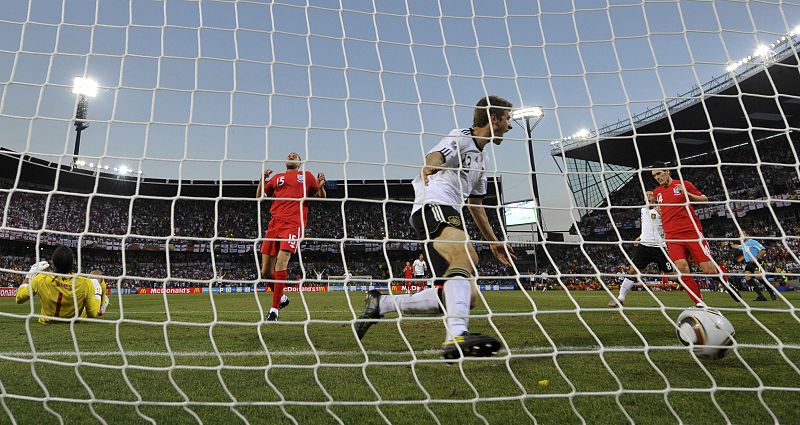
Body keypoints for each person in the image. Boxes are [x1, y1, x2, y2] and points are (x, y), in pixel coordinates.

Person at [355, 95, 516, 359]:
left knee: (467, 297)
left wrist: (494, 241)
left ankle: (381, 303)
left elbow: (476, 207)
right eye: (508, 118)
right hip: (434, 205)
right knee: (466, 254)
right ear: (494, 118)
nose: (510, 126)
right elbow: (439, 153)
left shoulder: (482, 161)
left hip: (447, 211)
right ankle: (456, 335)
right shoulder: (462, 137)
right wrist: (432, 165)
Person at [650, 162, 741, 307]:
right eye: (654, 175)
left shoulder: (684, 184)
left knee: (709, 270)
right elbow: (663, 209)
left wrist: (687, 194)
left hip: (692, 233)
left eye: (659, 173)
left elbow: (705, 200)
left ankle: (726, 282)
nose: (657, 177)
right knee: (682, 269)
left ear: (667, 171)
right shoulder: (657, 192)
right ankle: (699, 303)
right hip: (672, 237)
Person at [257, 151, 326, 321]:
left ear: (300, 163)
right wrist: (262, 179)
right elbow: (259, 197)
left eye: (295, 156)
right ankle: (282, 298)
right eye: (289, 155)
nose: (291, 155)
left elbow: (321, 197)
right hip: (274, 225)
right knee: (265, 272)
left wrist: (322, 186)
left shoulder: (307, 176)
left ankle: (274, 311)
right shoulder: (277, 178)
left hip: (293, 225)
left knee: (282, 261)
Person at [609, 191, 675, 307]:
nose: (648, 196)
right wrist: (639, 237)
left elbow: (666, 224)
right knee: (632, 271)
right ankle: (620, 298)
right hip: (644, 246)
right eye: (646, 195)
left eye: (650, 195)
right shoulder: (643, 210)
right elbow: (647, 226)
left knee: (671, 275)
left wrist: (661, 211)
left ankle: (692, 289)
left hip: (660, 247)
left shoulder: (661, 209)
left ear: (655, 197)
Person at [15, 246, 104, 324]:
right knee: (97, 274)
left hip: (47, 321)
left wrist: (30, 275)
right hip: (73, 320)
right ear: (73, 263)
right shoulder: (85, 283)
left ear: (53, 262)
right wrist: (97, 294)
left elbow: (19, 299)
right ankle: (102, 298)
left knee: (95, 276)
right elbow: (92, 314)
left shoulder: (41, 278)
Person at [727, 231, 776, 301]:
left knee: (758, 277)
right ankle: (760, 296)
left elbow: (763, 250)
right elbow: (737, 246)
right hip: (749, 264)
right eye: (740, 235)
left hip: (757, 262)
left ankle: (771, 291)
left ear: (747, 235)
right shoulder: (743, 244)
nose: (741, 236)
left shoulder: (753, 242)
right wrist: (729, 244)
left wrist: (756, 258)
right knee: (747, 277)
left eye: (742, 234)